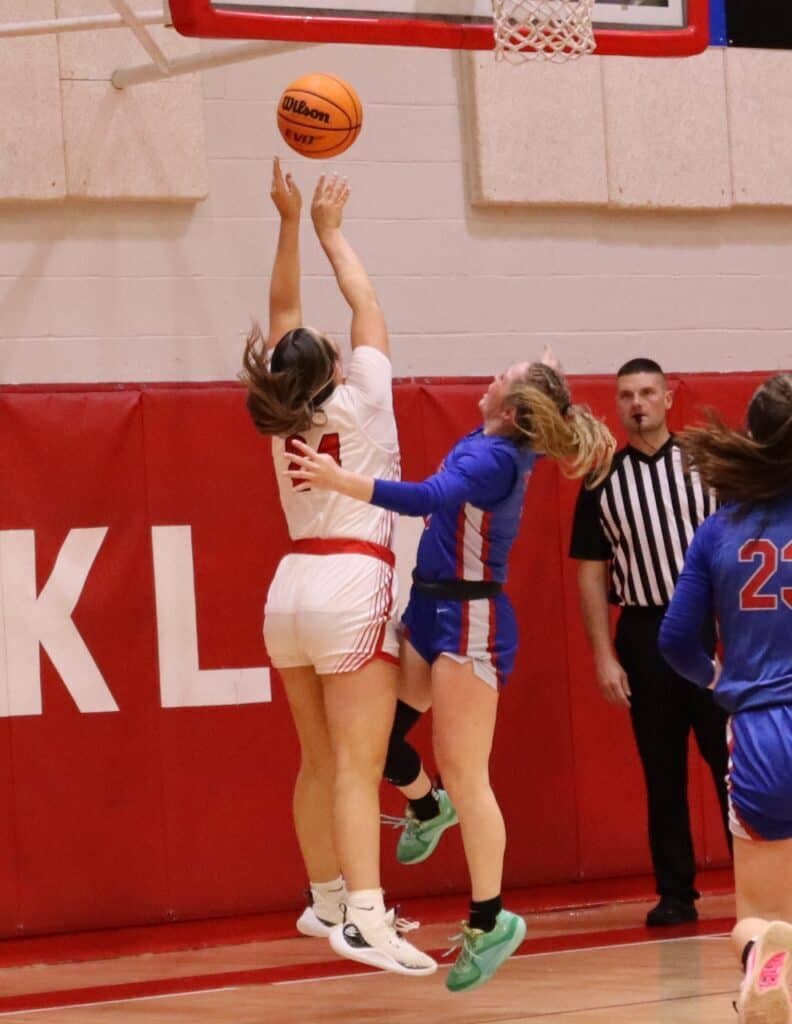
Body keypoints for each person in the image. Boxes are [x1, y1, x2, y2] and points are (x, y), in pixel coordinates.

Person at [285, 351, 615, 992]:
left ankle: (490, 920)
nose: (489, 375)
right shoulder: (501, 437)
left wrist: (338, 479)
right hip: (432, 605)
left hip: (470, 621)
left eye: (503, 374)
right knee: (375, 741)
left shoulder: (493, 456)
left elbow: (427, 499)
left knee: (468, 773)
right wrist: (542, 375)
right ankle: (425, 807)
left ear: (513, 409)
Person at [240, 157, 436, 977]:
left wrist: (285, 224)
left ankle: (323, 899)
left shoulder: (282, 410)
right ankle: (364, 918)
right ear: (332, 365)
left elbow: (285, 317)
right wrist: (327, 230)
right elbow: (367, 304)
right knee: (358, 767)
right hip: (351, 580)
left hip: (289, 589)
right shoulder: (363, 398)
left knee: (317, 763)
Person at [569, 358, 731, 927]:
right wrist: (603, 655)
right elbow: (591, 570)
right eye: (626, 395)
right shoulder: (600, 478)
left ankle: (760, 874)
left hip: (712, 630)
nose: (637, 403)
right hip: (644, 633)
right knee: (661, 771)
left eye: (646, 392)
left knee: (732, 762)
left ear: (667, 398)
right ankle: (676, 893)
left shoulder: (706, 463)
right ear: (616, 406)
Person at [658, 373, 792, 1024]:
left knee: (763, 917)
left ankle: (768, 962)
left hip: (761, 727)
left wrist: (721, 681)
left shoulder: (719, 530)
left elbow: (676, 640)